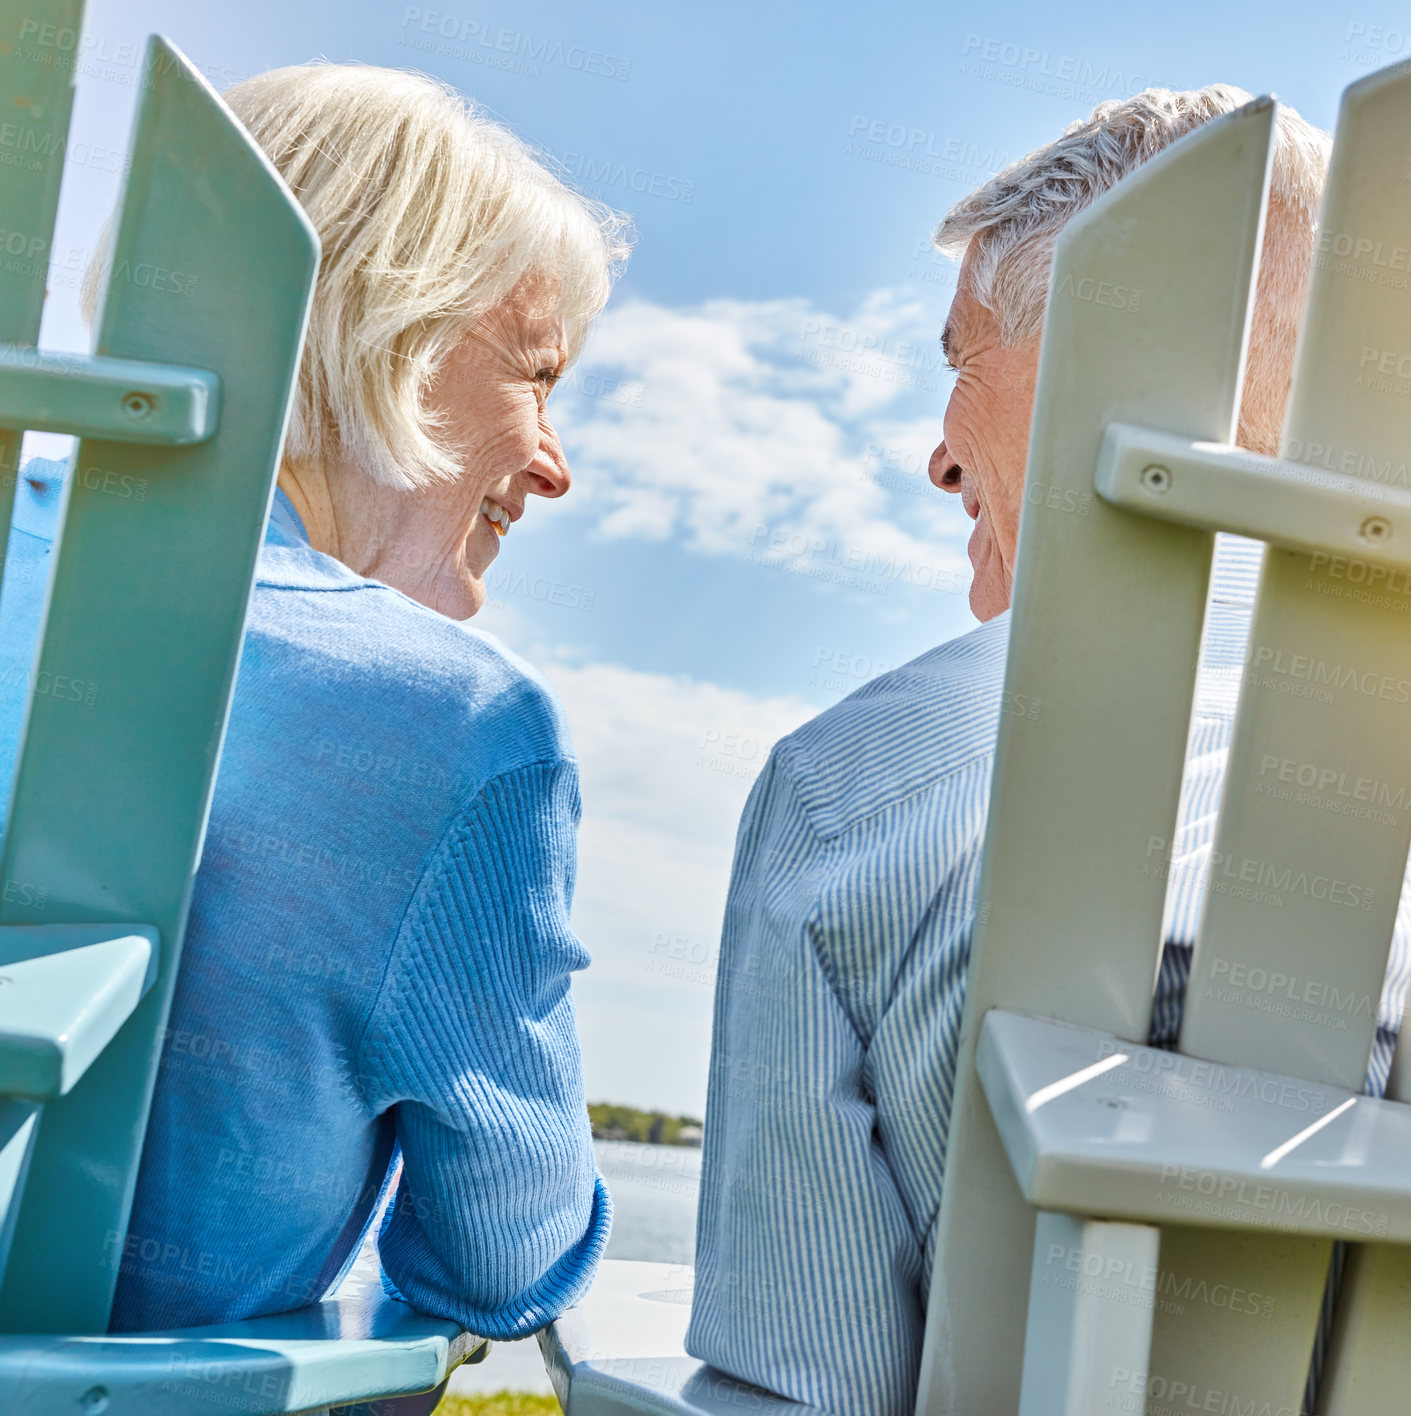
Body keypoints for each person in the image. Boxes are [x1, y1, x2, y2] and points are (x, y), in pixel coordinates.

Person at [686, 85, 1411, 1416]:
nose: (933, 456)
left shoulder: (859, 784)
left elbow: (796, 1385)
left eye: (959, 354)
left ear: (1097, 348)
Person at [3, 62, 631, 1341]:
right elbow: (499, 1262)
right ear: (383, 328)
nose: (553, 466)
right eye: (537, 374)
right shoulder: (448, 724)